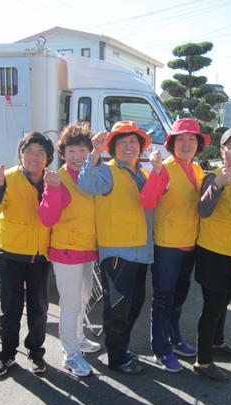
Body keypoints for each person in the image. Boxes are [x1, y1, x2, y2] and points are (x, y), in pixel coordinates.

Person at [78, 121, 153, 375]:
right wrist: (95, 152)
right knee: (118, 307)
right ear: (113, 148)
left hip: (141, 250)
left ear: (140, 146)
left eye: (133, 141)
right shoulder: (107, 171)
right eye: (122, 142)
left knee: (134, 304)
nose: (128, 146)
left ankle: (121, 348)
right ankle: (117, 357)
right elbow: (86, 184)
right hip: (117, 251)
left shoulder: (142, 172)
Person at [0, 132, 54, 378]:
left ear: (48, 157)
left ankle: (36, 353)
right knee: (10, 308)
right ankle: (6, 355)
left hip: (40, 256)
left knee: (39, 308)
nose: (34, 157)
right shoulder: (8, 178)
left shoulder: (52, 179)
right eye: (28, 151)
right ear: (21, 154)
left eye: (40, 152)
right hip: (11, 254)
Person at [141, 118, 208, 372]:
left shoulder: (198, 169)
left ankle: (174, 337)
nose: (187, 143)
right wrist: (156, 172)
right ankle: (161, 348)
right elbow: (148, 200)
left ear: (198, 144)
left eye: (192, 139)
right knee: (163, 297)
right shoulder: (164, 168)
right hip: (167, 244)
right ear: (172, 143)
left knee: (179, 296)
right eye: (181, 139)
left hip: (191, 243)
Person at [38, 123, 101, 378]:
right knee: (70, 303)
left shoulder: (91, 174)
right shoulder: (58, 178)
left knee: (83, 298)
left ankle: (78, 338)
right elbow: (47, 218)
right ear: (63, 153)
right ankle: (70, 353)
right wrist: (52, 189)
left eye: (82, 150)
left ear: (90, 152)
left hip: (87, 248)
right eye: (71, 151)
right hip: (66, 250)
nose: (77, 156)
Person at [193, 128, 231, 382]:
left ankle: (217, 343)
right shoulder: (213, 176)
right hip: (213, 253)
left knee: (223, 302)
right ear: (222, 151)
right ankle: (203, 360)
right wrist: (218, 185)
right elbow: (203, 210)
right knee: (212, 307)